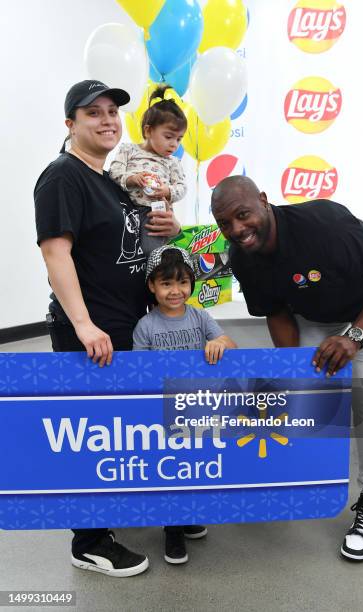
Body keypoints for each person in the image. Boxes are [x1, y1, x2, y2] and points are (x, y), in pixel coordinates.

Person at [211, 175, 363, 562]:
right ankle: (303, 479)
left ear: (264, 201)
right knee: (307, 389)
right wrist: (293, 370)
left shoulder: (323, 225)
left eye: (243, 214)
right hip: (319, 310)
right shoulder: (242, 258)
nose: (237, 229)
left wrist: (353, 337)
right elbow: (277, 311)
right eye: (225, 223)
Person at [34, 80, 181, 577]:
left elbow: (135, 240)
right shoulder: (63, 176)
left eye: (113, 112)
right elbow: (56, 253)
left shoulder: (111, 179)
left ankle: (122, 515)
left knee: (123, 429)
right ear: (70, 124)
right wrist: (83, 325)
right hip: (92, 331)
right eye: (92, 112)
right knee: (91, 434)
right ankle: (89, 542)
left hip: (129, 325)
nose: (107, 120)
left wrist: (171, 227)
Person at [133, 245, 237, 563]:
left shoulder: (200, 316)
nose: (175, 291)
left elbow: (230, 345)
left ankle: (188, 515)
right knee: (171, 469)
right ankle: (172, 530)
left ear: (191, 283)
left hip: (197, 407)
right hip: (162, 413)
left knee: (194, 466)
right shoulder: (145, 327)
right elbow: (139, 373)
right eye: (166, 283)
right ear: (152, 285)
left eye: (182, 282)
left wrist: (220, 342)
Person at [110, 85, 187, 257]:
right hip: (125, 210)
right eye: (168, 137)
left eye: (179, 139)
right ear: (148, 130)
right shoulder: (129, 150)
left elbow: (182, 187)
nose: (174, 144)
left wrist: (168, 191)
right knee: (123, 250)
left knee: (152, 253)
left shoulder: (173, 162)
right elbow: (114, 172)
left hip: (155, 212)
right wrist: (132, 179)